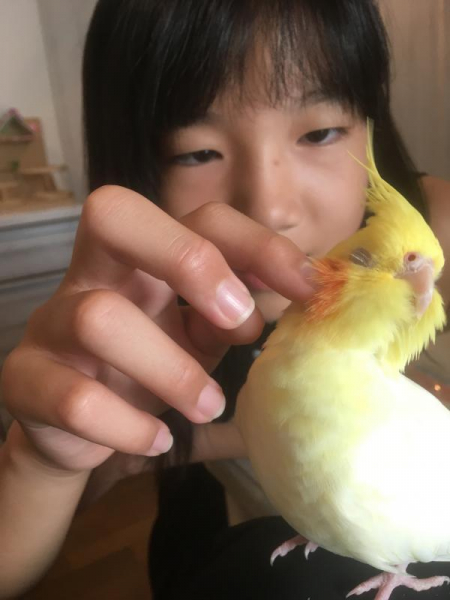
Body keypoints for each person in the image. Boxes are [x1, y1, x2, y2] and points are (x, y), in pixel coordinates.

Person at [1, 0, 450, 597]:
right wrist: (40, 461)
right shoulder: (146, 319)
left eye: (318, 132)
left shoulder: (431, 231)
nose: (268, 208)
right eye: (197, 152)